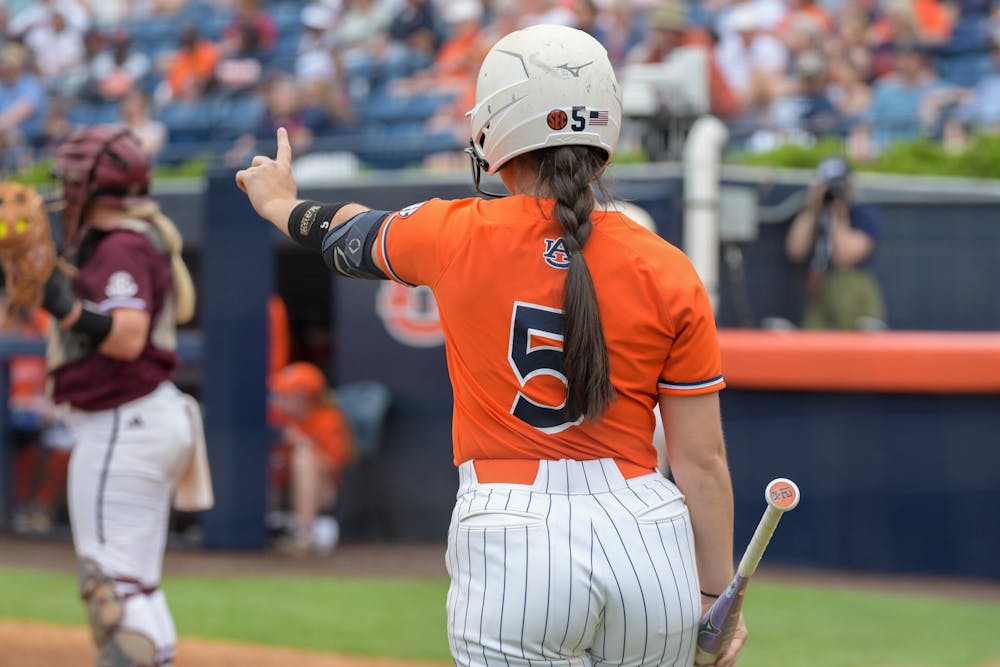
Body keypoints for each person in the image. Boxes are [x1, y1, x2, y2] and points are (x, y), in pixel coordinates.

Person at [237, 24, 745, 667]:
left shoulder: (454, 233)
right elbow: (702, 463)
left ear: (496, 130)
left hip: (513, 526)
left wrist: (282, 204)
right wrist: (716, 594)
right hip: (646, 537)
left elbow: (346, 235)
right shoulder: (668, 266)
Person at [41, 126, 202, 667]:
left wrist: (64, 306)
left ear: (91, 186)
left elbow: (127, 337)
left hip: (122, 423)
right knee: (138, 586)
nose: (63, 190)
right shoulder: (129, 239)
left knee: (111, 589)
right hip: (141, 420)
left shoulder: (123, 244)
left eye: (70, 179)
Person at [784, 157, 887, 330]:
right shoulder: (816, 213)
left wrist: (838, 215)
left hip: (852, 286)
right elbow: (795, 250)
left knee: (854, 351)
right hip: (820, 286)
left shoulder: (863, 213)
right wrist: (811, 208)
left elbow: (845, 257)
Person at [268, 362, 355, 555]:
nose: (281, 399)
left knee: (304, 457)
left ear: (306, 396)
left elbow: (334, 464)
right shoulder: (278, 418)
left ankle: (304, 534)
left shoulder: (328, 418)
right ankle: (266, 528)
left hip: (322, 491)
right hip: (280, 488)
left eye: (288, 394)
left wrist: (301, 441)